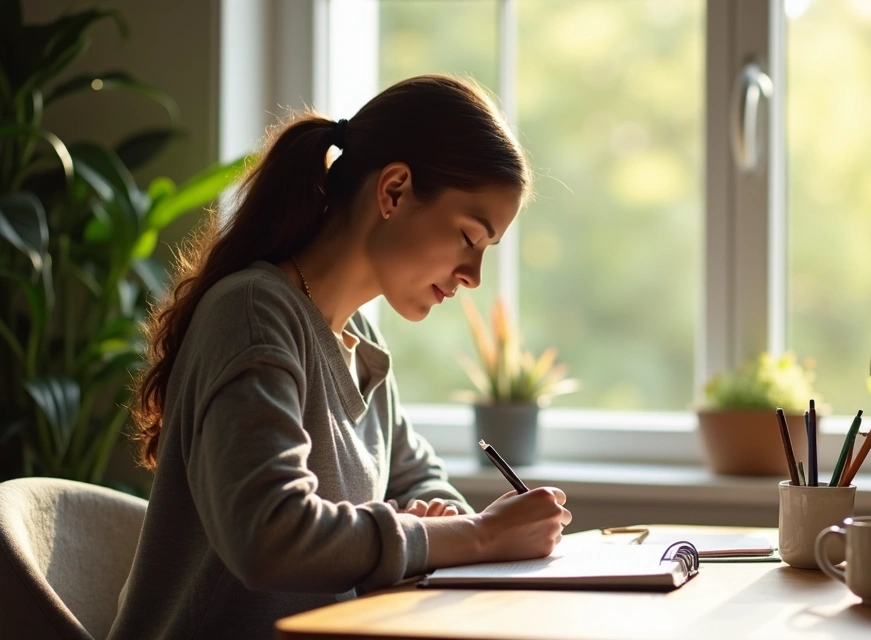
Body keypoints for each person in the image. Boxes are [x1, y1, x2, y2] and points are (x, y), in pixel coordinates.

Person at [108, 75, 571, 640]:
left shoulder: (359, 337)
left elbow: (417, 474)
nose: (472, 276)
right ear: (394, 191)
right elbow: (270, 533)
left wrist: (440, 520)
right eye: (469, 238)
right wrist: (478, 536)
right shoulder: (253, 314)